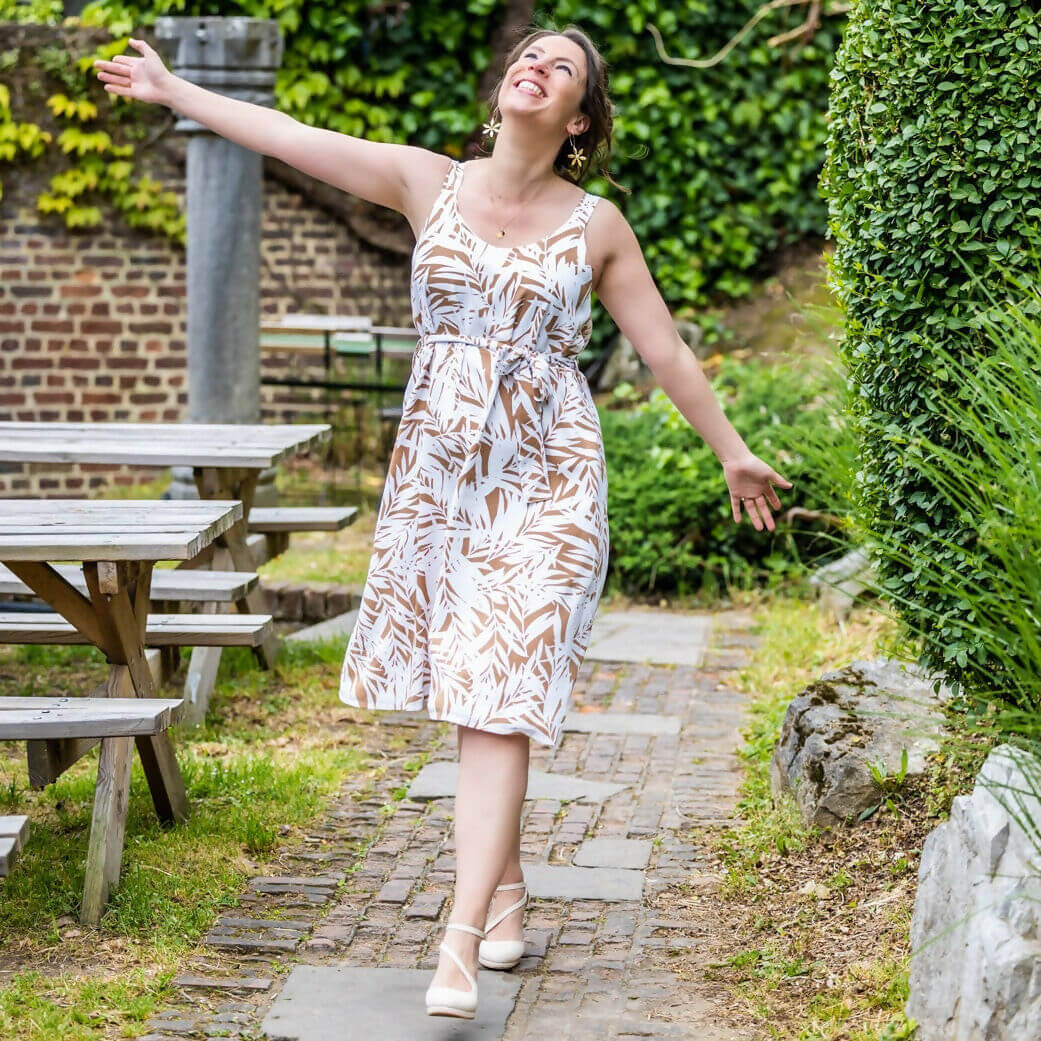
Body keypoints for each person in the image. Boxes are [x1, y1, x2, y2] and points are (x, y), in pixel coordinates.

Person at [94, 23, 791, 1020]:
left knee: (505, 688)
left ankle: (457, 938)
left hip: (551, 474)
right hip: (442, 476)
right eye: (528, 55)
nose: (533, 66)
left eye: (560, 66)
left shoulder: (597, 225)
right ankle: (504, 889)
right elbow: (287, 133)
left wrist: (731, 448)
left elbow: (669, 351)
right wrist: (176, 90)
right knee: (474, 690)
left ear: (579, 116)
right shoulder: (429, 182)